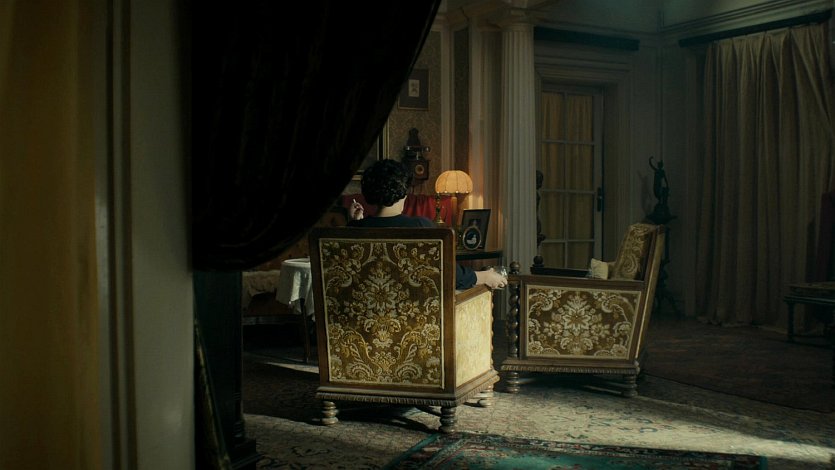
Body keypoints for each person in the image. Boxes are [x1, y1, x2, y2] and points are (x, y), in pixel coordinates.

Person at [349, 159, 506, 290]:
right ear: (404, 193)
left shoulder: (353, 229)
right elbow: (452, 275)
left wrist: (356, 223)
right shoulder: (420, 226)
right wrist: (486, 276)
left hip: (362, 314)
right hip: (415, 313)